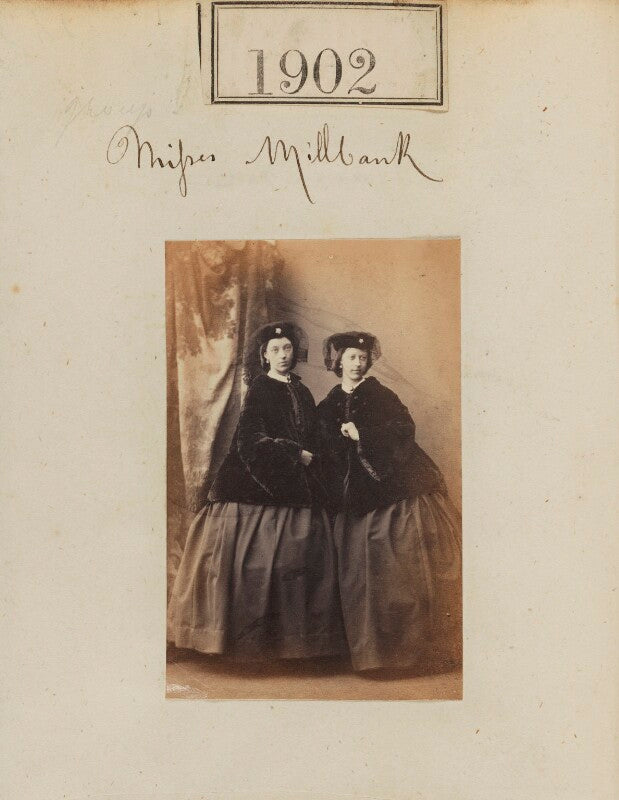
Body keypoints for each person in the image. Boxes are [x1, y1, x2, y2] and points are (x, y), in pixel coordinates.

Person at [168, 322, 346, 661]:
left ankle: (293, 644)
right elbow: (249, 441)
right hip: (257, 481)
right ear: (264, 356)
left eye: (287, 348)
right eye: (275, 350)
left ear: (295, 352)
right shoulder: (260, 389)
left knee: (296, 563)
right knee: (256, 563)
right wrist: (293, 452)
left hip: (301, 484)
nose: (282, 355)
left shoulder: (303, 391)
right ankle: (248, 645)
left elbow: (314, 436)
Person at [317, 331, 462, 672]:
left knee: (396, 564)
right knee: (354, 571)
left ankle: (404, 653)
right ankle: (363, 651)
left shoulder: (381, 394)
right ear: (339, 362)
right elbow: (320, 442)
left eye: (362, 358)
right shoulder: (329, 402)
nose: (358, 363)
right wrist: (337, 444)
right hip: (349, 493)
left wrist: (362, 435)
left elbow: (403, 429)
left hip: (391, 487)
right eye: (351, 358)